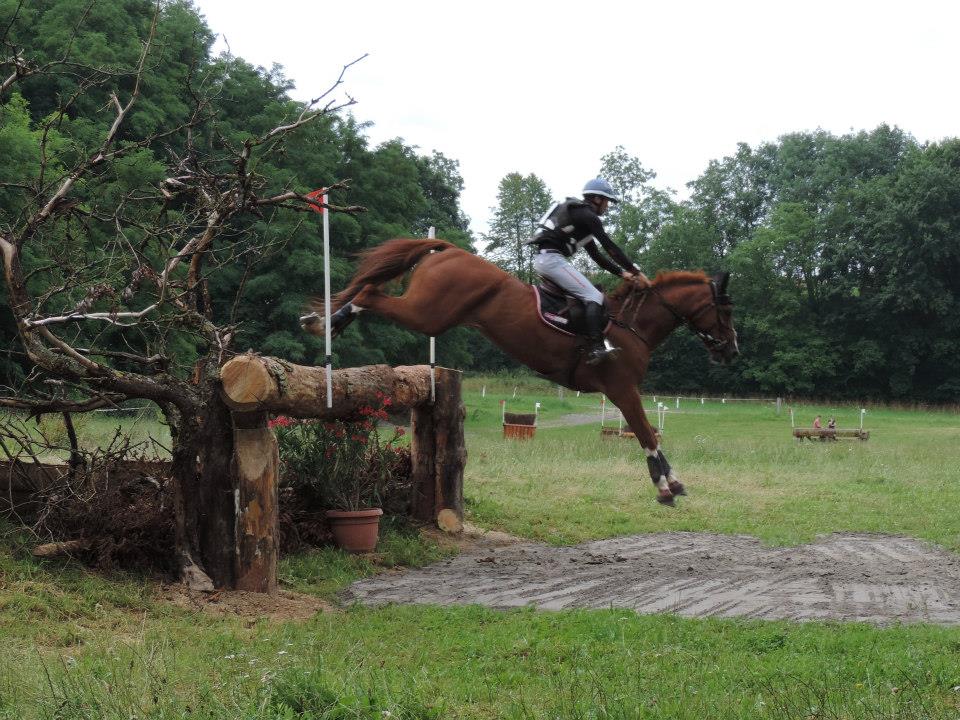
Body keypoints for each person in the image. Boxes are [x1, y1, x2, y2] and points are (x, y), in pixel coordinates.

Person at [526, 178, 649, 365]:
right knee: (594, 296)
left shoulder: (580, 220)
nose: (607, 206)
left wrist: (621, 273)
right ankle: (597, 348)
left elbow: (597, 257)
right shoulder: (588, 216)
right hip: (551, 260)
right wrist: (635, 271)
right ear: (598, 199)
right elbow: (610, 247)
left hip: (547, 258)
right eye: (607, 201)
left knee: (588, 294)